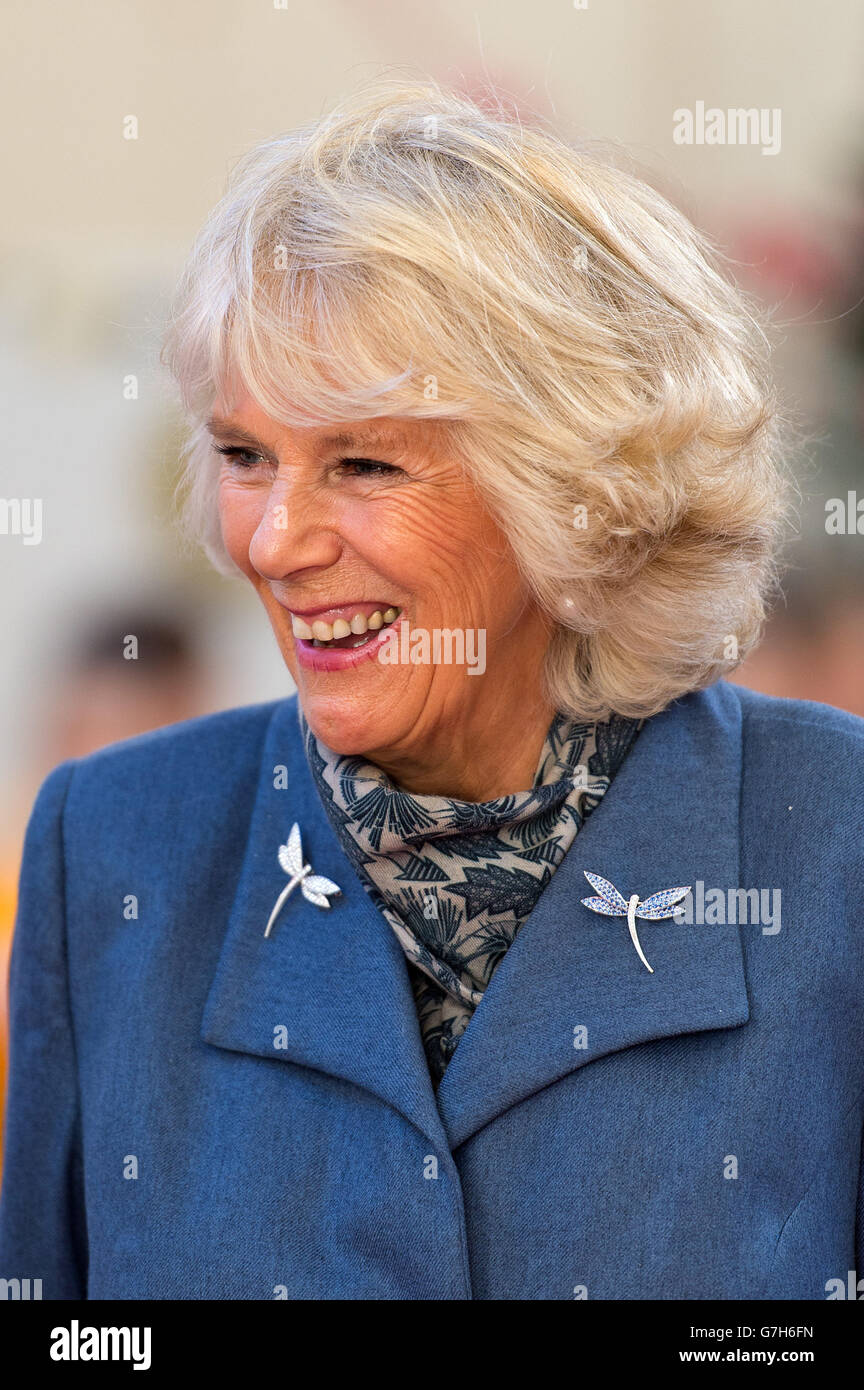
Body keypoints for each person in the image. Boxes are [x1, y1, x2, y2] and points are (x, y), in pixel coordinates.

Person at [2, 79, 862, 1300]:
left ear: (573, 493)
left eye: (361, 460)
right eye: (245, 454)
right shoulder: (114, 848)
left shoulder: (834, 839)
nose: (275, 539)